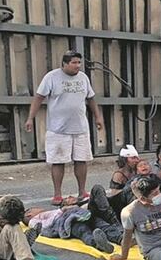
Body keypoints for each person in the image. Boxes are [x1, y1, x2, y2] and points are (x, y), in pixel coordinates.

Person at [25, 51, 104, 206]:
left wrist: (98, 117)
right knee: (58, 161)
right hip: (58, 129)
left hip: (80, 127)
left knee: (81, 160)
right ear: (65, 64)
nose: (77, 66)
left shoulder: (83, 78)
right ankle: (57, 194)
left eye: (79, 63)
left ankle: (82, 191)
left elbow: (91, 98)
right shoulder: (51, 77)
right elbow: (39, 98)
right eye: (74, 63)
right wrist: (30, 118)